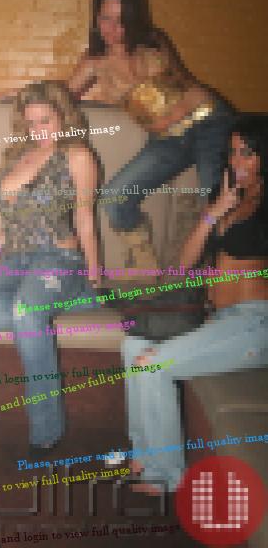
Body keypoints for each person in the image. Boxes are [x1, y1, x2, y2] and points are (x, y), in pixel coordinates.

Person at [118, 116, 268, 493]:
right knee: (133, 346)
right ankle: (144, 455)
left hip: (256, 323)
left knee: (152, 364)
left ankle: (168, 476)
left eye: (248, 153)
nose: (237, 161)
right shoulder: (227, 196)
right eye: (232, 152)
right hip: (220, 319)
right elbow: (184, 265)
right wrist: (214, 212)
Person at [69, 0, 235, 268]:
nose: (113, 29)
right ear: (96, 19)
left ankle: (218, 275)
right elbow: (62, 94)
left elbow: (187, 84)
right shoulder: (93, 61)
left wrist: (173, 116)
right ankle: (145, 265)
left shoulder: (154, 42)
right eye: (106, 18)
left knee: (217, 200)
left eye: (122, 20)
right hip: (167, 141)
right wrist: (24, 93)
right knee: (115, 197)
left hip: (208, 121)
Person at [0, 81, 100, 451]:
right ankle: (71, 299)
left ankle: (46, 433)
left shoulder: (76, 154)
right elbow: (12, 220)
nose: (38, 129)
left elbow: (85, 216)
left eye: (45, 120)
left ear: (64, 117)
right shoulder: (18, 156)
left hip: (57, 256)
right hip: (15, 258)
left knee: (27, 314)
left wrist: (94, 270)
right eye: (31, 122)